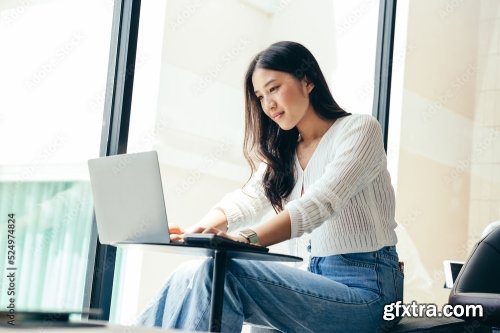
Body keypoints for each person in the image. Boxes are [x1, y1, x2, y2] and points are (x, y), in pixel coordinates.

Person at [136, 41, 403, 332]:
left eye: (274, 88)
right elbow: (249, 199)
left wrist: (245, 239)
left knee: (222, 275)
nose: (268, 104)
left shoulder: (359, 129)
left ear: (308, 80)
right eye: (261, 96)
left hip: (369, 293)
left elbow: (320, 203)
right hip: (312, 278)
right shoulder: (285, 151)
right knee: (190, 272)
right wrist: (195, 233)